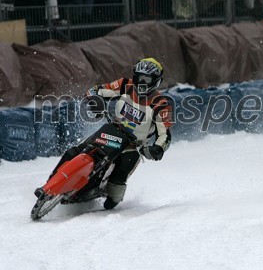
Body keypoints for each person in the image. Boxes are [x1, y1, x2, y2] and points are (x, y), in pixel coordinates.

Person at [34, 58, 173, 210]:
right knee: (74, 151)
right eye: (139, 77)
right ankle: (47, 186)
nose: (142, 82)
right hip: (112, 130)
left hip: (134, 146)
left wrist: (157, 149)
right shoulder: (125, 85)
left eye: (146, 79)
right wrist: (96, 101)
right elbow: (95, 90)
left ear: (155, 81)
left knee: (118, 180)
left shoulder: (161, 104)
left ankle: (112, 199)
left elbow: (164, 135)